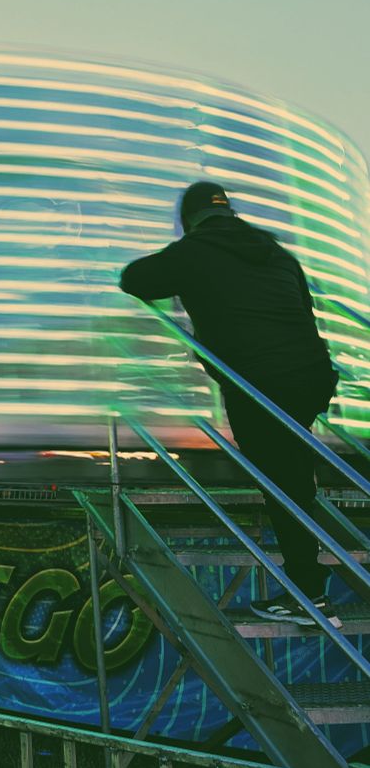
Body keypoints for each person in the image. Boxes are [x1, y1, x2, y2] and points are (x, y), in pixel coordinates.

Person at [119, 180, 340, 626]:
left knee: (282, 484)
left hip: (259, 383)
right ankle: (310, 588)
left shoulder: (193, 252)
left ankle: (308, 594)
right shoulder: (278, 254)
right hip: (310, 376)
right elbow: (303, 308)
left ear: (190, 220)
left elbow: (135, 279)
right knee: (293, 476)